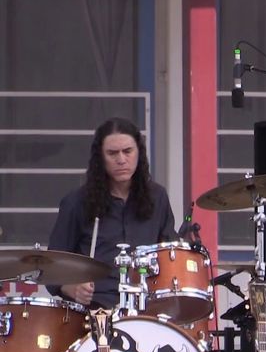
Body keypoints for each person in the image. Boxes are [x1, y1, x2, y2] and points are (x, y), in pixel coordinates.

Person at [47, 117, 177, 309]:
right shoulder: (76, 202)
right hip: (94, 309)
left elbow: (170, 256)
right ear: (100, 157)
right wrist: (71, 288)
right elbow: (51, 266)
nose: (121, 160)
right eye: (112, 153)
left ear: (139, 153)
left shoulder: (157, 198)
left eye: (127, 151)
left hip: (146, 306)